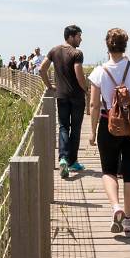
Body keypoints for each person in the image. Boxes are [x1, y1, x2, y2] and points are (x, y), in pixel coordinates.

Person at [88, 28, 130, 235]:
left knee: (109, 170)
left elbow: (94, 105)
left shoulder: (98, 72)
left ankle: (116, 207)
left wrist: (93, 132)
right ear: (125, 45)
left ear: (107, 45)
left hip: (108, 124)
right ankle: (128, 219)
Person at [39, 25, 87, 179]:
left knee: (63, 127)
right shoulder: (77, 53)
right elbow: (79, 73)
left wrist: (49, 86)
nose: (81, 39)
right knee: (76, 128)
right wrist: (85, 88)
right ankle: (72, 162)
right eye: (79, 36)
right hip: (77, 97)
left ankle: (63, 159)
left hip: (61, 96)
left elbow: (42, 69)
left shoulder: (54, 50)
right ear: (71, 36)